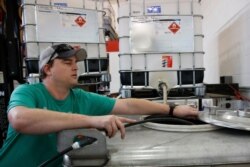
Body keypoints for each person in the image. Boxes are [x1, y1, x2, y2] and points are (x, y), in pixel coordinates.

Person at [0, 44, 198, 167]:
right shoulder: (27, 92)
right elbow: (20, 119)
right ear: (48, 69)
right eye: (67, 62)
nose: (76, 67)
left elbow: (127, 105)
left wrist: (172, 109)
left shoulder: (81, 98)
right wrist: (92, 120)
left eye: (76, 62)